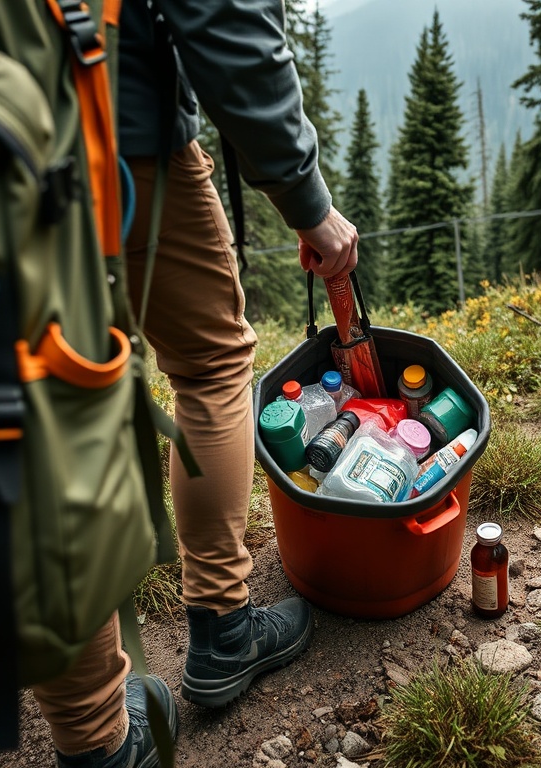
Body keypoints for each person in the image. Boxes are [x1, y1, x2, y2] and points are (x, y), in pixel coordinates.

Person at [32, 1, 358, 766]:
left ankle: (97, 743)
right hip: (113, 129)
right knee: (211, 365)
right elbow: (223, 20)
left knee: (46, 416)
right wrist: (309, 203)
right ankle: (223, 629)